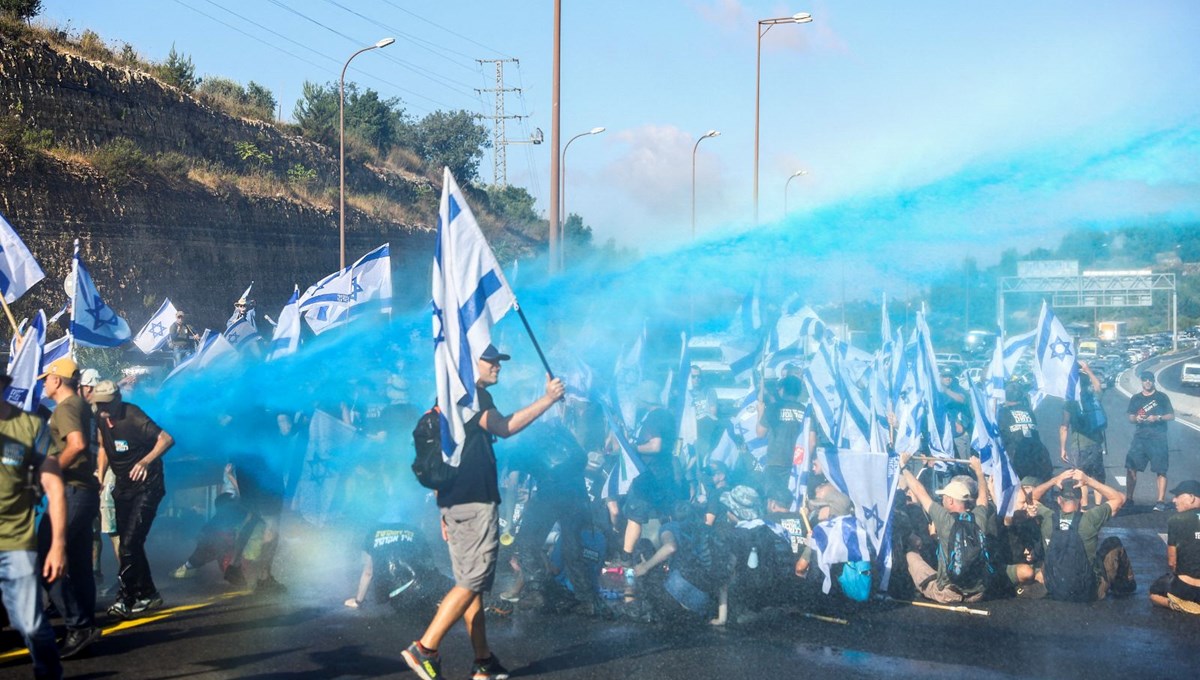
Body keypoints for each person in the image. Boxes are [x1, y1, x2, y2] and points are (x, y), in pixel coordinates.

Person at [402, 344, 564, 680]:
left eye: (498, 361)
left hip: (455, 503)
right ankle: (425, 648)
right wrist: (547, 399)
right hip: (474, 503)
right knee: (473, 579)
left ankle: (483, 662)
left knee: (469, 583)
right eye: (490, 361)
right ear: (469, 363)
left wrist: (442, 508)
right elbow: (504, 427)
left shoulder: (446, 398)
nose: (497, 366)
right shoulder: (473, 396)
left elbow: (446, 457)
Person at [0, 370, 67, 679]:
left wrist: (57, 545)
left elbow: (54, 486)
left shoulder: (31, 426)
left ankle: (49, 673)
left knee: (28, 622)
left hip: (15, 540)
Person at [93, 380, 174, 619]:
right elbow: (102, 446)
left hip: (148, 487)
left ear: (118, 400)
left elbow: (166, 439)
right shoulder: (100, 418)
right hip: (123, 487)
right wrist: (100, 476)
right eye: (99, 404)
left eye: (107, 403)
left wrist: (145, 461)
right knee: (132, 543)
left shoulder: (133, 416)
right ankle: (149, 594)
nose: (103, 409)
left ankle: (125, 598)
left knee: (128, 543)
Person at [37, 356, 101, 658]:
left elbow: (75, 444)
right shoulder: (78, 405)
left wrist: (48, 472)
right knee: (78, 565)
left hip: (72, 493)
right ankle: (86, 625)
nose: (44, 385)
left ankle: (78, 626)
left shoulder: (66, 407)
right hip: (82, 492)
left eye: (46, 379)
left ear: (57, 380)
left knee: (46, 558)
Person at [899, 452, 992, 604]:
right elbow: (982, 497)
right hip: (977, 593)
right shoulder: (979, 518)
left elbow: (920, 491)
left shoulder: (945, 520)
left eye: (943, 497)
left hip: (950, 595)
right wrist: (979, 472)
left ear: (950, 501)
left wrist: (904, 467)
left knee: (911, 556)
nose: (941, 500)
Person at [612, 381, 679, 568]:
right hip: (665, 474)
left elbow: (655, 445)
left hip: (649, 476)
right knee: (665, 515)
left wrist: (633, 447)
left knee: (635, 516)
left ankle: (625, 558)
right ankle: (669, 559)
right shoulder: (667, 415)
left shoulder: (655, 416)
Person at [1036, 469, 1129, 601]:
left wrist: (1054, 480)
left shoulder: (1047, 517)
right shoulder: (1090, 519)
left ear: (1059, 500)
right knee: (1113, 542)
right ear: (1080, 501)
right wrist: (1089, 481)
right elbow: (1119, 498)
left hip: (1055, 588)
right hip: (1087, 592)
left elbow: (1031, 497)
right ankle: (1125, 586)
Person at [1125, 370, 1174, 511]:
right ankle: (1129, 498)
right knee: (1131, 467)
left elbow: (1171, 415)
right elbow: (1130, 417)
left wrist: (1157, 418)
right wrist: (1137, 419)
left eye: (1150, 379)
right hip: (1140, 438)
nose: (1147, 382)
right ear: (1141, 381)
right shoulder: (1135, 398)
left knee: (1161, 470)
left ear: (1153, 381)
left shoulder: (1162, 397)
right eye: (1145, 379)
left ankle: (1160, 501)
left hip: (1158, 439)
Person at [1059, 361, 1106, 507]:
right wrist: (1087, 369)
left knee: (1080, 475)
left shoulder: (1070, 402)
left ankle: (1084, 506)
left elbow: (1064, 427)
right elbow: (1098, 386)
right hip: (1096, 443)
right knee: (1097, 476)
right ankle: (1098, 506)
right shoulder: (1093, 398)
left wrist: (1063, 448)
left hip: (1079, 446)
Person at [1150, 480, 1200, 614]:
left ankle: (1176, 604)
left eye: (1178, 495)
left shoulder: (1176, 520)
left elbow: (1172, 562)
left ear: (1192, 497)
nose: (1173, 500)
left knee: (1154, 592)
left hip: (1184, 588)